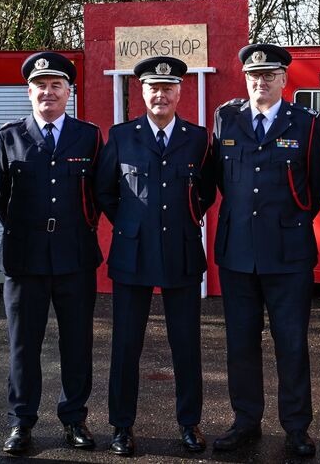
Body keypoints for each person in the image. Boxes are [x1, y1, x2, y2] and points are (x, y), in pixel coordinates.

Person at [211, 43, 320, 457]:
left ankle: (297, 427)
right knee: (241, 343)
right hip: (238, 251)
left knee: (292, 343)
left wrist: (290, 218)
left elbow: (317, 183)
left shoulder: (306, 123)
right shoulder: (226, 119)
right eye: (253, 76)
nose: (260, 82)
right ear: (245, 78)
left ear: (283, 79)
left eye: (269, 76)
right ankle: (245, 422)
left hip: (289, 253)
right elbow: (221, 180)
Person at [95, 56, 216, 457]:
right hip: (133, 253)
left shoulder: (197, 138)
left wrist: (184, 221)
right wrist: (131, 224)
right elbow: (106, 192)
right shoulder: (122, 136)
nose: (160, 95)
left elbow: (207, 191)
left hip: (181, 251)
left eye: (168, 88)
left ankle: (189, 424)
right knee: (126, 345)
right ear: (141, 93)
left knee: (186, 345)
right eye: (153, 88)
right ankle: (121, 426)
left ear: (180, 92)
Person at [0, 52, 103, 455]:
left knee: (77, 344)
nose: (48, 92)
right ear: (30, 91)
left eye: (57, 85)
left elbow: (97, 194)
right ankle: (21, 422)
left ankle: (75, 418)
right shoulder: (8, 136)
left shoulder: (88, 136)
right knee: (23, 346)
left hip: (74, 256)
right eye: (41, 85)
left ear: (68, 92)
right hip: (25, 258)